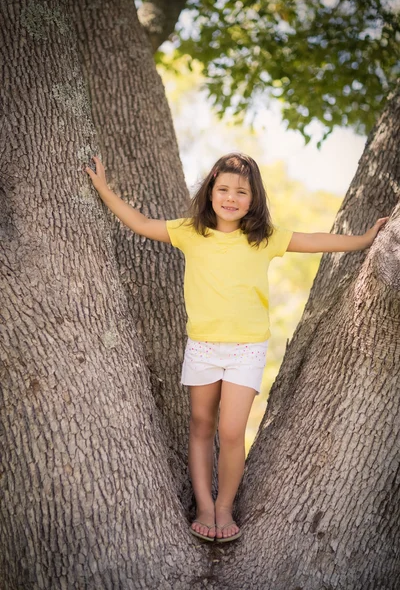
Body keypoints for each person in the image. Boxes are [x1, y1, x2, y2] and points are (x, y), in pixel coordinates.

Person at [85, 153, 388, 543]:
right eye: (224, 189)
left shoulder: (263, 238)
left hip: (246, 350)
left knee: (230, 431)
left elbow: (314, 241)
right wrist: (105, 191)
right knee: (201, 425)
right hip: (203, 347)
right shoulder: (191, 232)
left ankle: (225, 506)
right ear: (211, 190)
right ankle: (205, 506)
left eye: (241, 192)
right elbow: (142, 223)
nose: (231, 198)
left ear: (253, 198)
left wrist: (364, 239)